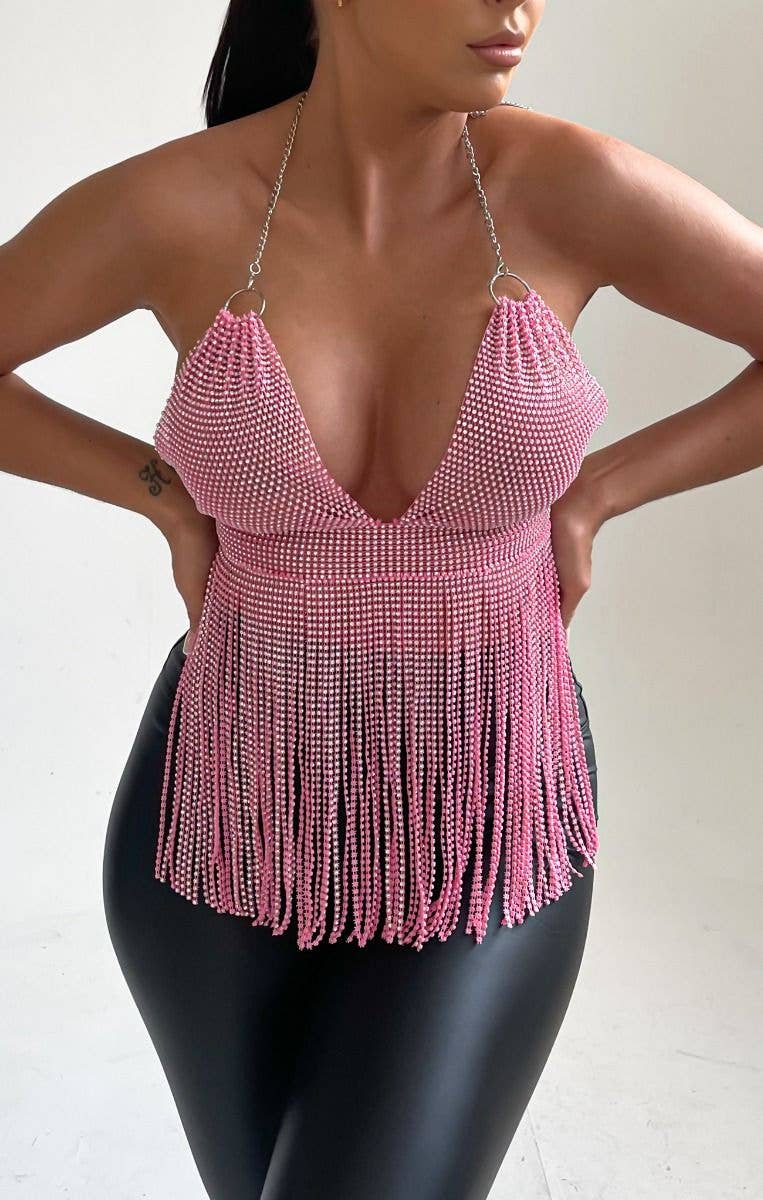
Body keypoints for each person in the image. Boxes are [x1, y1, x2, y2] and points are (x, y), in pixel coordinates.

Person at [2, 3, 761, 1198]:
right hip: (220, 821)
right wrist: (161, 497)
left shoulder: (568, 187)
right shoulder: (172, 205)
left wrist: (596, 494)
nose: (515, 6)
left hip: (486, 811)